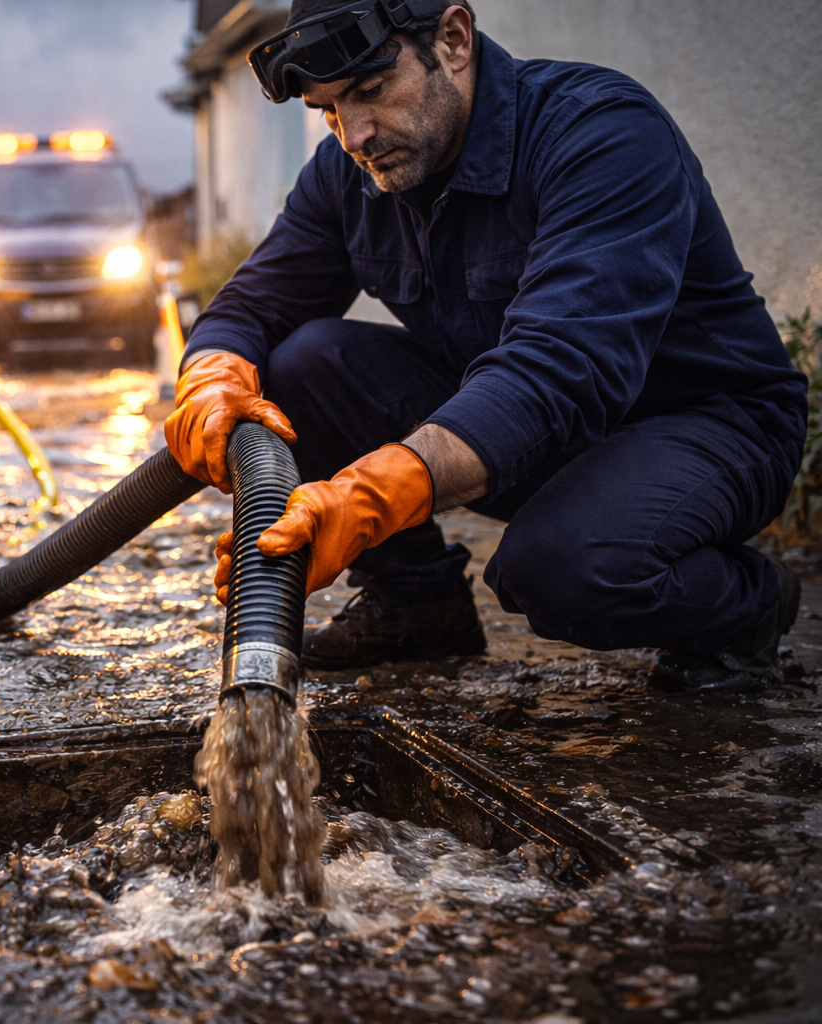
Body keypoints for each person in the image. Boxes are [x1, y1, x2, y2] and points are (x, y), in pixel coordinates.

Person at [165, 0, 807, 692]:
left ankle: (747, 606)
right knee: (303, 360)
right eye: (328, 111)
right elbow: (256, 305)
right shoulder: (349, 174)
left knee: (561, 568)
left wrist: (373, 494)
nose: (354, 135)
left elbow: (560, 367)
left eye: (371, 91)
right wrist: (212, 374)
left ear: (454, 38)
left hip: (708, 426)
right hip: (536, 431)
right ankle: (416, 605)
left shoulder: (600, 132)